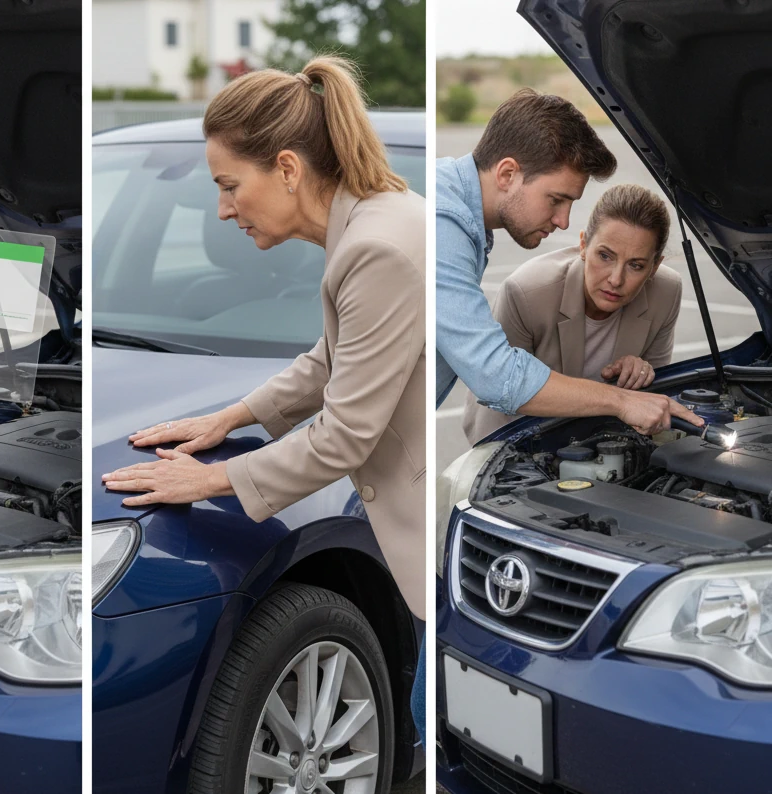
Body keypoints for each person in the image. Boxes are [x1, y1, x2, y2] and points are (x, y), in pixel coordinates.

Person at [100, 57, 428, 742]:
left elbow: (344, 437)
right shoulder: (377, 222)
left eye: (228, 185)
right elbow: (331, 359)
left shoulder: (375, 251)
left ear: (286, 168)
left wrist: (212, 476)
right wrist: (233, 416)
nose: (221, 209)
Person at [437, 88, 701, 439]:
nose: (563, 220)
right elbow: (496, 377)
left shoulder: (460, 215)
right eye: (556, 199)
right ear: (507, 174)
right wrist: (620, 400)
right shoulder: (445, 226)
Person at [463, 184, 682, 442]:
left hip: (608, 441)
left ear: (655, 266)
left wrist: (642, 374)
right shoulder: (526, 293)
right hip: (523, 439)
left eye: (636, 265)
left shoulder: (666, 292)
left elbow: (652, 401)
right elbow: (499, 400)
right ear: (583, 245)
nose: (616, 279)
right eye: (605, 256)